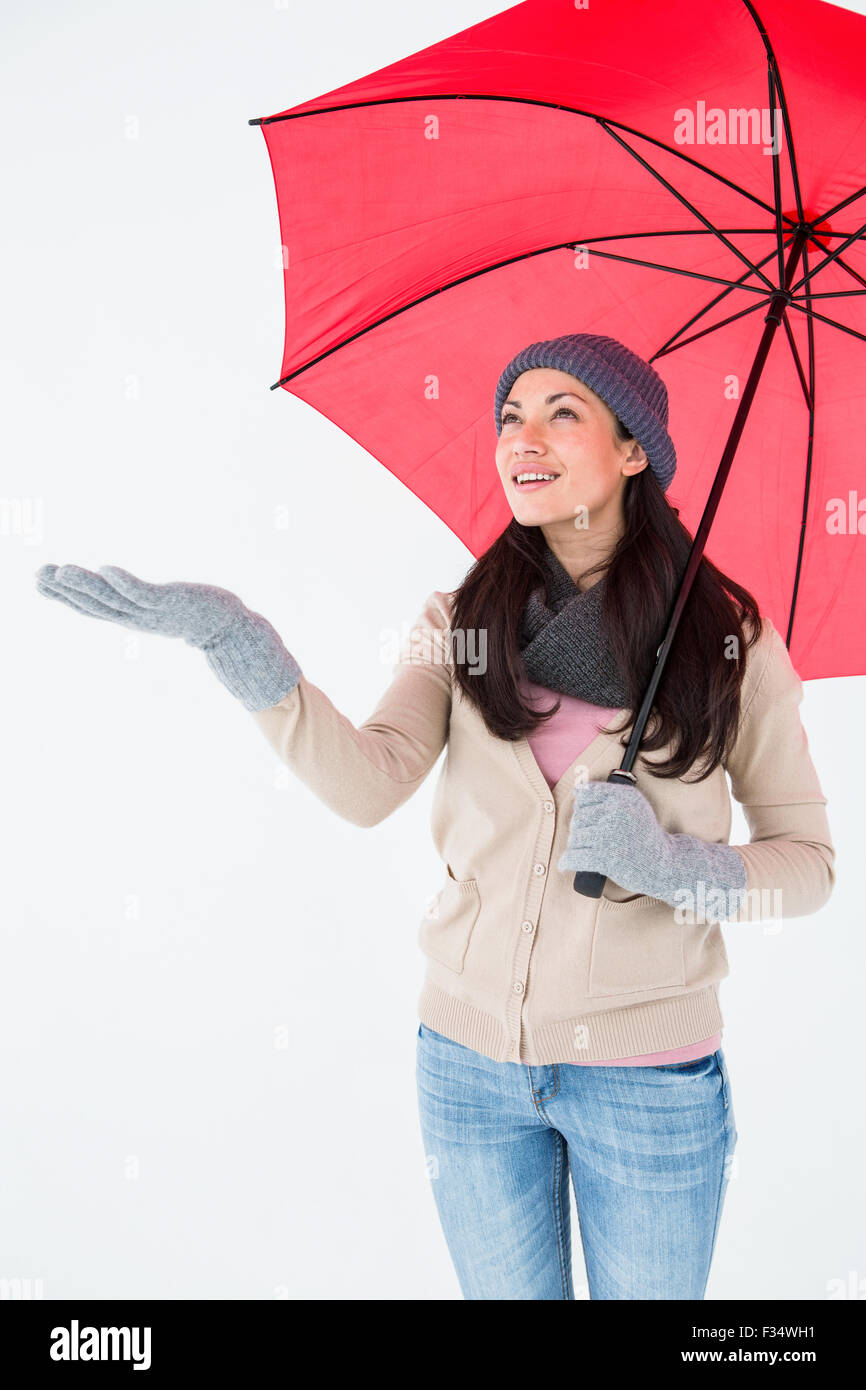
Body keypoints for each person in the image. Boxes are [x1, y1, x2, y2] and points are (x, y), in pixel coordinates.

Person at [35, 333, 835, 1300]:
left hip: (648, 1080)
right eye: (509, 417)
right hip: (468, 1071)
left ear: (636, 453)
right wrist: (236, 642)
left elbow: (811, 863)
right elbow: (369, 784)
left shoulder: (725, 641)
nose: (520, 439)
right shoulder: (461, 618)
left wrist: (678, 868)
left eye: (561, 414)